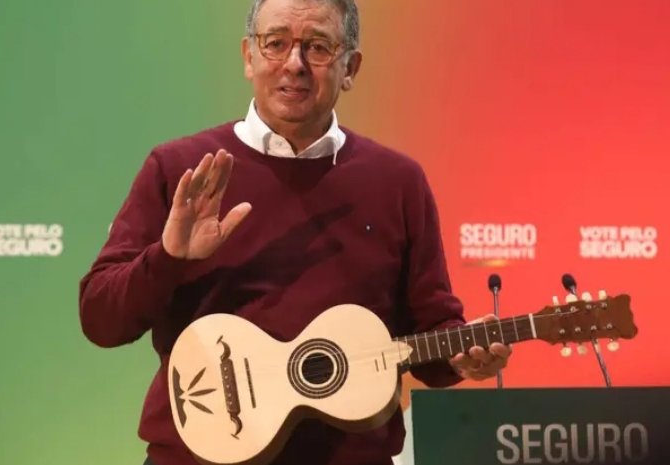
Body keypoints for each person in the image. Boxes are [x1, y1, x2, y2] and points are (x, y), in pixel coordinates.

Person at [78, 0, 511, 464]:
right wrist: (168, 258)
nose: (295, 64)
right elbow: (101, 321)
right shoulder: (180, 169)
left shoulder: (398, 181)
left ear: (351, 67)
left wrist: (462, 355)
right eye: (276, 43)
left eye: (319, 47)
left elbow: (429, 332)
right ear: (249, 56)